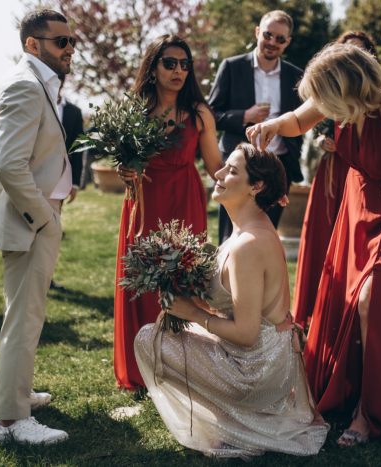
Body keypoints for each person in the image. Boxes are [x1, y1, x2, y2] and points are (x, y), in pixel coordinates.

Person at [247, 43, 381, 445]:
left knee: (374, 300)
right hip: (357, 206)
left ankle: (372, 409)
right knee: (349, 301)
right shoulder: (336, 101)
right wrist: (273, 126)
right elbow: (298, 120)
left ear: (346, 85)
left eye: (327, 99)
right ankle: (349, 389)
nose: (326, 111)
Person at [135, 144, 329, 459]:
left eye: (232, 171)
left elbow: (247, 332)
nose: (219, 174)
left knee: (148, 339)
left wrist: (194, 313)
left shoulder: (249, 245)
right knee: (162, 332)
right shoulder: (243, 231)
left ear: (257, 186)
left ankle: (233, 425)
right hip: (257, 355)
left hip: (255, 368)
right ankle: (235, 419)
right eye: (224, 167)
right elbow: (236, 306)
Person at [0, 9, 75, 444]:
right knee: (23, 319)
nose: (70, 48)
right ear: (33, 44)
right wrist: (44, 217)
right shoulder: (26, 85)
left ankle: (18, 396)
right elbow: (9, 164)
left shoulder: (33, 82)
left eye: (71, 41)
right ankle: (11, 422)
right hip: (32, 221)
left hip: (36, 219)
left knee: (26, 315)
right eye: (60, 41)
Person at [114, 35, 224, 391]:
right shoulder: (135, 111)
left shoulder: (199, 113)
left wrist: (254, 184)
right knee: (142, 282)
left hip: (185, 201)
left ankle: (182, 368)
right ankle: (143, 366)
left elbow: (216, 167)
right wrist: (124, 171)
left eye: (184, 64)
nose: (178, 70)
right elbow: (125, 162)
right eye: (169, 63)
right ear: (153, 67)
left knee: (183, 281)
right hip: (145, 202)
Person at [292, 31, 379, 328]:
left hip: (361, 173)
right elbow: (311, 122)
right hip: (332, 169)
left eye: (360, 51)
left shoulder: (378, 96)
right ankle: (314, 311)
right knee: (321, 235)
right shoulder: (329, 89)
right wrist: (321, 141)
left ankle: (350, 311)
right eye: (346, 50)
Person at [208, 10, 304, 244]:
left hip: (278, 169)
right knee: (229, 238)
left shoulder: (297, 76)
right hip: (237, 170)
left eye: (280, 39)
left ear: (287, 42)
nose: (273, 42)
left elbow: (301, 122)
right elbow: (211, 115)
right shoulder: (231, 67)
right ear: (258, 32)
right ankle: (225, 281)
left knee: (266, 238)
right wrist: (244, 116)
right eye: (269, 35)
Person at [50, 76, 83, 290]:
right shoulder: (36, 103)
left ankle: (47, 277)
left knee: (52, 231)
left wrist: (75, 183)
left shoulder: (73, 112)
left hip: (60, 181)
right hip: (33, 179)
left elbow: (78, 149)